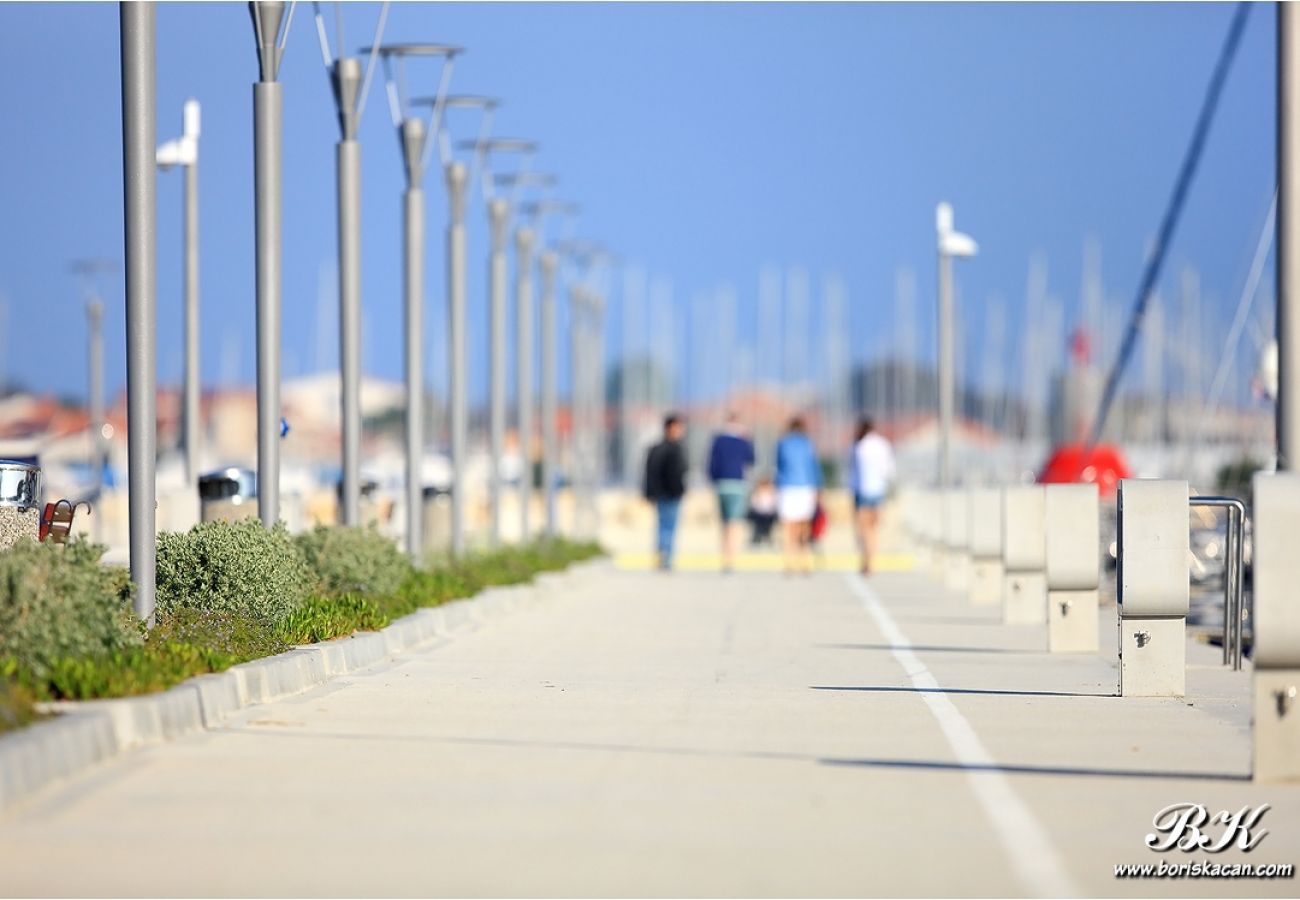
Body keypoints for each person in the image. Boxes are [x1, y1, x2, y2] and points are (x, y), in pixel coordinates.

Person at [706, 412, 755, 572]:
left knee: (724, 522)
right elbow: (751, 460)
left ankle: (725, 556)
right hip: (738, 484)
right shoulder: (743, 441)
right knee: (734, 522)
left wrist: (713, 480)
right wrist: (749, 439)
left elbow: (712, 464)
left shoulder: (718, 440)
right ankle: (731, 558)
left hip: (721, 484)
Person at [774, 416, 821, 575]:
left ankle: (789, 562)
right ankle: (805, 561)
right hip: (805, 488)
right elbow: (813, 467)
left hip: (787, 488)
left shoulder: (783, 443)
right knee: (804, 527)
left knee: (788, 527)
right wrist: (817, 489)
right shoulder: (807, 444)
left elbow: (779, 466)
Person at [850, 417, 896, 574]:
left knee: (864, 529)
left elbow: (854, 472)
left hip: (862, 491)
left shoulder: (859, 446)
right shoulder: (883, 444)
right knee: (873, 529)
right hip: (878, 491)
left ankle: (866, 559)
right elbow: (889, 470)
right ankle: (871, 560)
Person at [643, 414, 688, 571]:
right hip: (667, 493)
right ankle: (665, 557)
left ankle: (664, 554)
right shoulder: (668, 449)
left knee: (665, 525)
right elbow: (652, 472)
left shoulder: (671, 448)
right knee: (667, 525)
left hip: (670, 493)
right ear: (669, 428)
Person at [747, 476, 778, 546]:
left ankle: (767, 535)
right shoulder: (756, 493)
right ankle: (757, 537)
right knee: (759, 520)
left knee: (768, 520)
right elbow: (754, 505)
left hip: (769, 515)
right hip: (758, 514)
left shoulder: (772, 493)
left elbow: (774, 505)